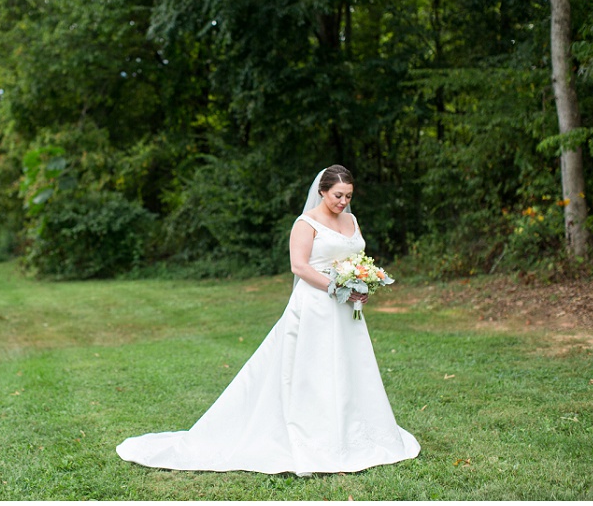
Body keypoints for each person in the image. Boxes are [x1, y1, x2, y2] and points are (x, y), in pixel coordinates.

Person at [116, 165, 420, 475]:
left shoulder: (351, 220)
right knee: (314, 370)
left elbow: (355, 259)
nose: (343, 202)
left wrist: (361, 284)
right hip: (316, 306)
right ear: (322, 191)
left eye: (349, 196)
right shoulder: (306, 223)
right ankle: (316, 437)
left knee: (350, 366)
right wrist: (336, 285)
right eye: (338, 195)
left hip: (347, 309)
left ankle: (354, 432)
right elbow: (299, 267)